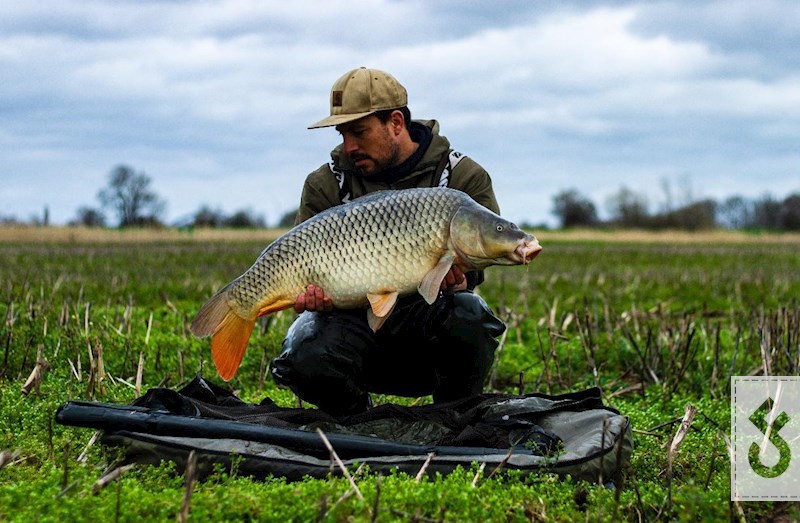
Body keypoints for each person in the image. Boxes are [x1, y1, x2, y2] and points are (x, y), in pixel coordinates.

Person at [269, 67, 506, 416]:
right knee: (302, 346)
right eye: (342, 133)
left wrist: (461, 277)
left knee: (471, 316)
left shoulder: (461, 176)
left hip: (427, 331)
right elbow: (303, 268)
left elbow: (481, 255)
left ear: (396, 123)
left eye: (359, 132)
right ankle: (356, 420)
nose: (349, 146)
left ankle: (454, 419)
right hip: (353, 330)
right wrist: (315, 298)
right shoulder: (325, 184)